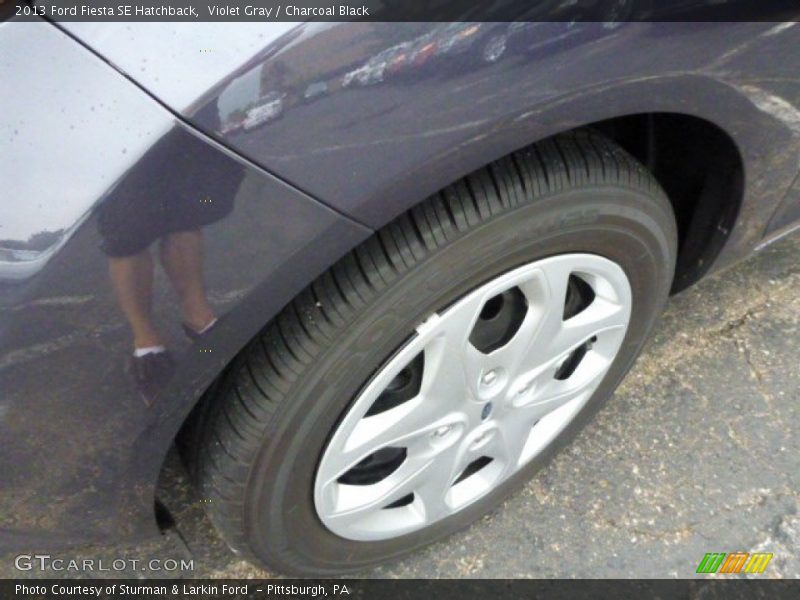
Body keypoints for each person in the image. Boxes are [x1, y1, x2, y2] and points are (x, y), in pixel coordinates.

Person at [97, 126, 243, 403]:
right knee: (127, 227)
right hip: (112, 115)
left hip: (181, 105)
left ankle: (199, 319)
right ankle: (147, 343)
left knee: (186, 211)